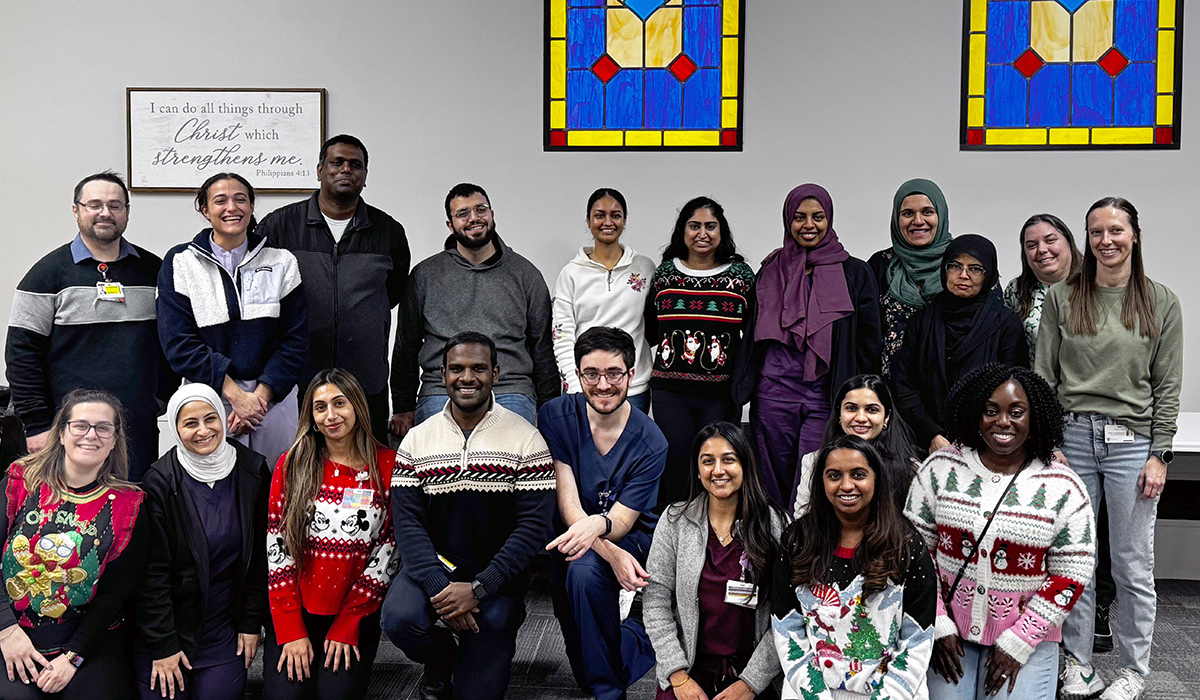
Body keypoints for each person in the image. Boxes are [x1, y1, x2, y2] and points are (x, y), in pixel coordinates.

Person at [1036, 197, 1183, 700]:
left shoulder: (1160, 301)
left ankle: (1134, 670)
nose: (1106, 240)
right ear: (1087, 239)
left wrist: (1160, 453)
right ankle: (1078, 664)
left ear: (1134, 235)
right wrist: (1048, 442)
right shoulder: (1062, 296)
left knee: (1131, 562)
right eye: (1096, 231)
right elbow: (1043, 378)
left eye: (1116, 230)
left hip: (1132, 446)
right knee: (1076, 558)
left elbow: (1167, 386)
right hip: (1071, 440)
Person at [905, 363, 1096, 700]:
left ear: (1034, 417)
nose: (1003, 421)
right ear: (975, 414)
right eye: (990, 411)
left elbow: (1072, 573)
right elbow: (914, 550)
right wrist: (937, 623)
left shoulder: (1063, 487)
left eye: (1016, 412)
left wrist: (1020, 641)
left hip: (1027, 638)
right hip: (949, 633)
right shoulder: (939, 469)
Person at [383, 332, 555, 700]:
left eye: (479, 368)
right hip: (436, 570)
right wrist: (438, 588)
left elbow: (533, 528)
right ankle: (443, 657)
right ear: (442, 375)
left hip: (496, 576)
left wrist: (479, 588)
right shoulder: (416, 440)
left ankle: (492, 637)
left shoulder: (527, 439)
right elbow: (408, 524)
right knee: (400, 619)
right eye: (457, 369)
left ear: (495, 373)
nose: (467, 377)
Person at [6, 171, 173, 480]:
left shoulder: (155, 271)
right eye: (94, 204)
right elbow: (21, 355)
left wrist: (158, 398)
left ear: (126, 211)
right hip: (67, 433)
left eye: (115, 205)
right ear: (76, 210)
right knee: (68, 520)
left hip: (135, 431)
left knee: (131, 514)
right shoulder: (46, 275)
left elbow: (172, 341)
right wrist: (38, 424)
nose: (105, 212)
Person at [539, 326, 668, 700]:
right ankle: (637, 639)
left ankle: (609, 694)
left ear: (632, 374)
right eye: (591, 374)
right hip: (575, 532)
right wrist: (608, 550)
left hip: (631, 538)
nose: (603, 384)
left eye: (614, 373)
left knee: (582, 574)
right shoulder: (556, 415)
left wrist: (604, 534)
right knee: (579, 642)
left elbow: (624, 521)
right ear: (577, 375)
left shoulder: (651, 440)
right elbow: (568, 504)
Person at [735, 184, 882, 510]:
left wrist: (862, 396)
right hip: (773, 392)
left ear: (829, 219)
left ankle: (807, 550)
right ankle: (775, 549)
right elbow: (753, 332)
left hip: (825, 393)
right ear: (788, 221)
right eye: (800, 217)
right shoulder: (771, 269)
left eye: (817, 217)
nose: (809, 225)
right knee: (772, 477)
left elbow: (869, 342)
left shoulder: (855, 272)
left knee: (815, 474)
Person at [259, 134, 411, 442]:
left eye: (355, 165)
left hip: (366, 383)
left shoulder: (388, 231)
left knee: (366, 473)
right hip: (297, 382)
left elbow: (392, 295)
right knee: (301, 469)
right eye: (337, 162)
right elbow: (260, 298)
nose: (346, 170)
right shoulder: (279, 226)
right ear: (319, 170)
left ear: (365, 176)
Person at [0, 389, 147, 700]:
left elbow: (115, 592)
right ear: (62, 433)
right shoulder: (21, 481)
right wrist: (6, 631)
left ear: (114, 440)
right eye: (80, 425)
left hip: (88, 641)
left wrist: (74, 657)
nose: (90, 435)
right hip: (12, 632)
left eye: (103, 427)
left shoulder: (128, 505)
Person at [157, 172, 309, 468]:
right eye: (220, 201)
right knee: (215, 488)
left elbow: (295, 339)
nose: (232, 208)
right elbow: (178, 343)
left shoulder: (281, 261)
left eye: (241, 199)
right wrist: (236, 396)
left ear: (252, 207)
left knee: (277, 484)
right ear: (205, 210)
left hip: (273, 399)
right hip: (211, 396)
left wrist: (258, 399)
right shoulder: (180, 262)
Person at [264, 369, 396, 700]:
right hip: (297, 613)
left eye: (340, 403)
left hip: (354, 614)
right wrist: (291, 629)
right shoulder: (292, 463)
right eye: (320, 407)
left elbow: (389, 550)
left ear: (358, 407)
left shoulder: (388, 465)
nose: (330, 415)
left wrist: (349, 621)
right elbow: (277, 548)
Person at [772, 434, 936, 699]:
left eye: (858, 474)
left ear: (876, 479)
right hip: (812, 692)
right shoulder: (796, 541)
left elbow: (916, 641)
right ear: (821, 482)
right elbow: (787, 629)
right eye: (834, 476)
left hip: (891, 692)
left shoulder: (907, 545)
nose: (846, 485)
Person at [135, 383, 271, 700]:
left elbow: (261, 557)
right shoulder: (159, 481)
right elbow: (151, 575)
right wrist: (163, 644)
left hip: (222, 632)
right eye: (190, 423)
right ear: (174, 427)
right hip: (169, 632)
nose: (203, 430)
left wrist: (251, 624)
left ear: (223, 419)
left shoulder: (252, 470)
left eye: (210, 419)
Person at [391, 183, 557, 434]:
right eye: (463, 214)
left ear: (492, 214)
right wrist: (403, 406)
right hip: (441, 390)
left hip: (510, 388)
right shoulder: (424, 276)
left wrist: (548, 408)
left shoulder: (526, 275)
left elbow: (542, 346)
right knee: (438, 466)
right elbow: (407, 344)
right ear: (450, 225)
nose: (474, 218)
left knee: (510, 463)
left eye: (481, 210)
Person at [644, 421, 786, 700]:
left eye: (729, 460)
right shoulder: (675, 521)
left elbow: (786, 615)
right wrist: (678, 674)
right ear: (698, 471)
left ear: (745, 466)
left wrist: (751, 683)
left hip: (752, 670)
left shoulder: (774, 525)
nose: (718, 470)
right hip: (691, 666)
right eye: (708, 461)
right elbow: (655, 600)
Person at [645, 197, 755, 506]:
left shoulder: (742, 277)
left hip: (721, 394)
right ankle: (678, 538)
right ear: (683, 231)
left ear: (722, 231)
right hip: (671, 393)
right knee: (679, 471)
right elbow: (652, 330)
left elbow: (752, 333)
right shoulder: (665, 274)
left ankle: (719, 541)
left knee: (720, 471)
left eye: (710, 226)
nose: (702, 233)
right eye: (694, 226)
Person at [893, 235, 1028, 455]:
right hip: (926, 443)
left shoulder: (1004, 323)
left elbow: (1015, 389)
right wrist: (932, 435)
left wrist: (981, 433)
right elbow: (904, 385)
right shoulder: (923, 320)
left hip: (989, 444)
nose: (963, 275)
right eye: (955, 266)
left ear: (989, 275)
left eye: (975, 269)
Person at [552, 188, 656, 413]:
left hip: (632, 388)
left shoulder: (645, 268)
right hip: (585, 387)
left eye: (615, 215)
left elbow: (654, 325)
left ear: (624, 220)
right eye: (600, 215)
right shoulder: (571, 274)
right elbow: (562, 334)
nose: (608, 222)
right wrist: (575, 384)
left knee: (630, 449)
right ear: (588, 221)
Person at [793, 374, 921, 519]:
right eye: (851, 408)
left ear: (886, 417)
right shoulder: (813, 462)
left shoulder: (911, 469)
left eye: (872, 410)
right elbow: (802, 521)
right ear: (839, 414)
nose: (860, 418)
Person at [867, 178, 953, 379]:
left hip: (953, 392)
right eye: (907, 214)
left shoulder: (963, 262)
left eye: (927, 212)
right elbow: (865, 337)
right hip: (891, 394)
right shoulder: (879, 266)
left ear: (941, 215)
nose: (918, 221)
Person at [1002, 214, 1082, 364]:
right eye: (1032, 245)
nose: (1042, 249)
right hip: (1038, 384)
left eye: (1050, 240)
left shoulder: (1097, 282)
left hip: (1093, 384)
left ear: (1068, 242)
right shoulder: (1016, 290)